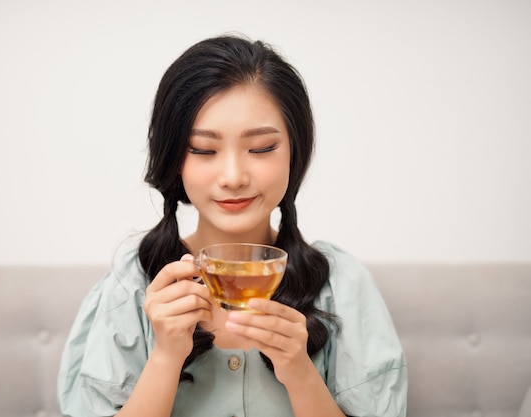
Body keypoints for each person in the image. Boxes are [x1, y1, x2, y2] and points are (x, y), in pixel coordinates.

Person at [57, 34, 408, 417]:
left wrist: (299, 372)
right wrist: (165, 357)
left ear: (295, 150)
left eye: (260, 149)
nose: (233, 176)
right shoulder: (134, 285)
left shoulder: (341, 285)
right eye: (204, 150)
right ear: (175, 158)